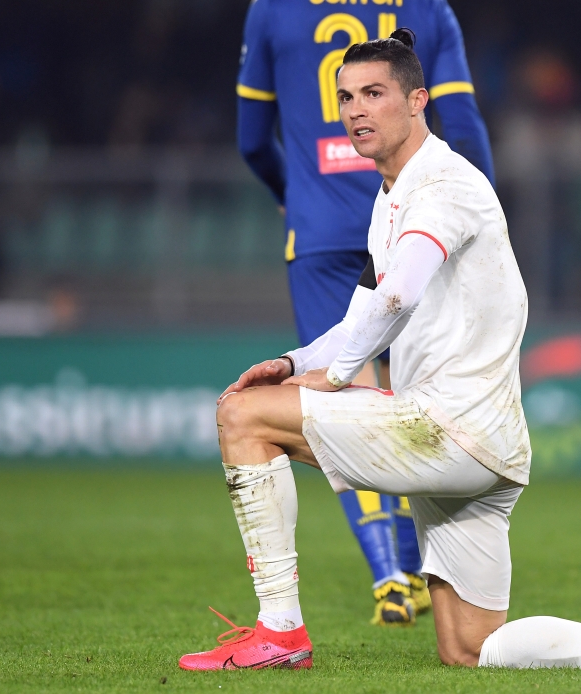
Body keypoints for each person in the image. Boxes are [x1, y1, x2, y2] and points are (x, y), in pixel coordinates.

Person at [180, 32, 581, 675]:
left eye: (374, 93)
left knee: (242, 415)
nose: (356, 109)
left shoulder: (442, 185)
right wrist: (294, 360)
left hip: (445, 430)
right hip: (488, 444)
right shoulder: (392, 196)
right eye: (345, 97)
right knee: (470, 649)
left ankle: (280, 633)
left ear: (417, 100)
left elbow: (398, 296)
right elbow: (368, 308)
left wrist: (327, 379)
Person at [236, 0, 495, 624]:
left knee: (345, 394)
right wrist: (483, 213)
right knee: (417, 392)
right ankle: (416, 563)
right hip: (421, 208)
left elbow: (251, 139)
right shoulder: (428, 8)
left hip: (320, 224)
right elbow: (461, 117)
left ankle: (387, 575)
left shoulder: (274, 9)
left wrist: (292, 196)